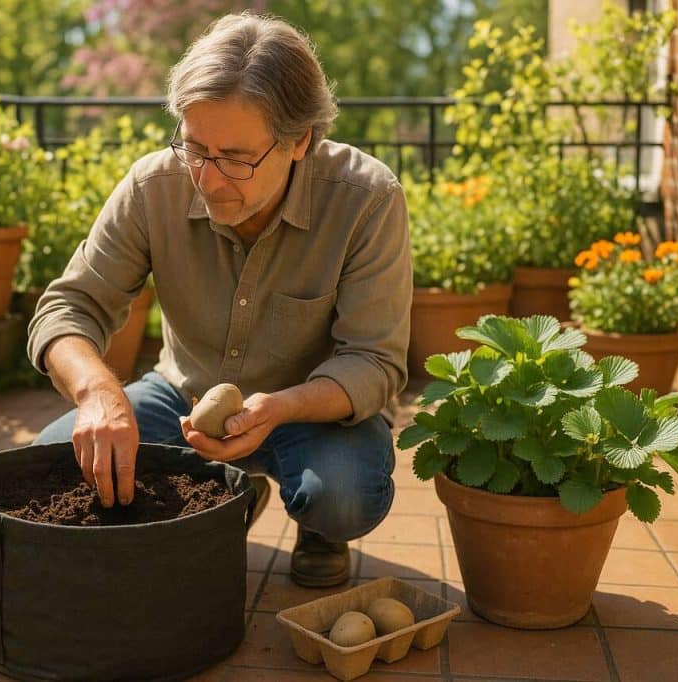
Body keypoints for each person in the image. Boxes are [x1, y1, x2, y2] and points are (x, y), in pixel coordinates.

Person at [27, 11, 411, 588]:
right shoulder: (152, 186)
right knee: (52, 460)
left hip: (314, 411)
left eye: (235, 158)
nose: (207, 180)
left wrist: (277, 409)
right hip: (182, 395)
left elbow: (374, 363)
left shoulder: (367, 199)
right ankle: (229, 493)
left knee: (344, 498)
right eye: (194, 148)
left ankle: (319, 530)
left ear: (299, 140)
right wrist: (99, 394)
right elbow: (67, 308)